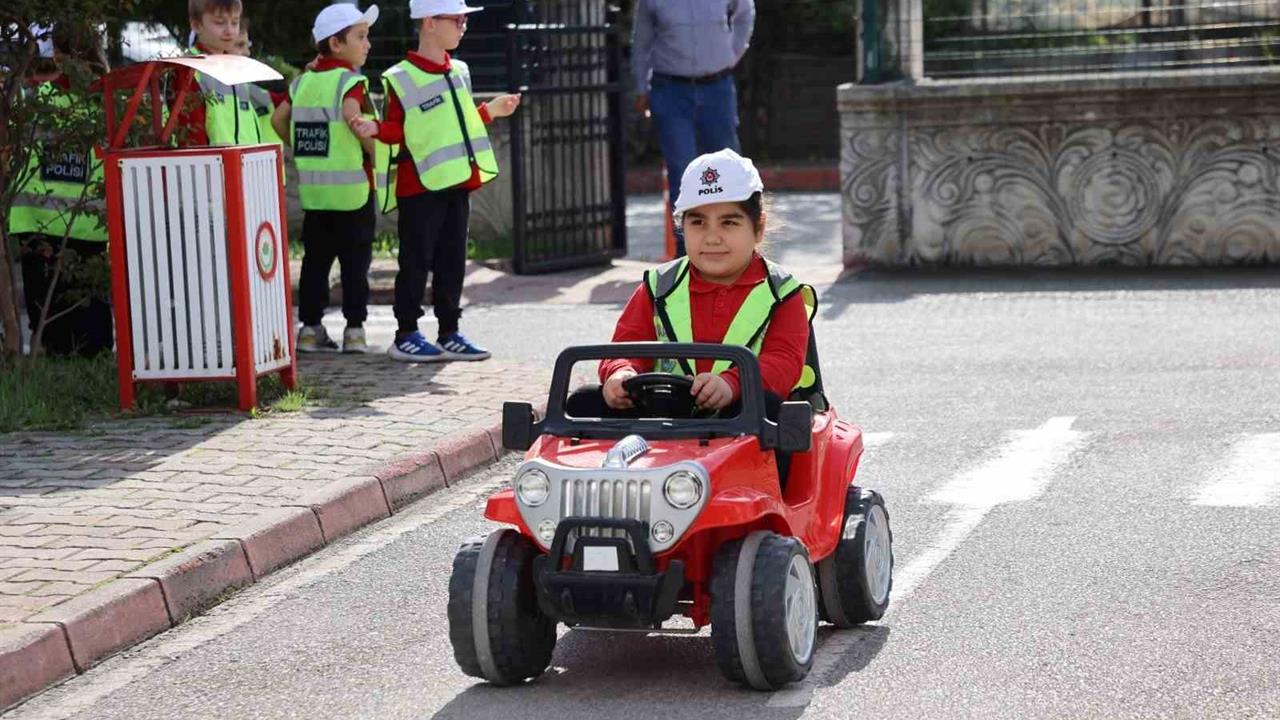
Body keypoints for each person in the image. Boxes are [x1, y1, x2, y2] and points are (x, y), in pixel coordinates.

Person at [567, 149, 815, 423]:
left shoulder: (782, 293)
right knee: (582, 401)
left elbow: (784, 362)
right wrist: (621, 373)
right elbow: (626, 345)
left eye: (729, 223)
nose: (711, 238)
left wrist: (732, 384)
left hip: (740, 420)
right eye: (698, 222)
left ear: (758, 228)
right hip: (661, 415)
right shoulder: (659, 286)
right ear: (682, 227)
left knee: (767, 409)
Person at [353, 0, 521, 362]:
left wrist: (490, 111)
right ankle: (406, 333)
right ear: (430, 23)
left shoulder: (459, 69)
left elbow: (457, 124)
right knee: (415, 260)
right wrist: (377, 129)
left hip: (457, 183)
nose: (464, 26)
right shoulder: (400, 76)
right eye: (457, 19)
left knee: (452, 260)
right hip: (419, 187)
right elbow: (400, 128)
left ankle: (450, 331)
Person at [271, 3, 380, 353]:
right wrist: (378, 154)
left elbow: (278, 119)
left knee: (315, 263)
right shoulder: (350, 83)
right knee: (355, 266)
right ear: (336, 43)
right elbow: (353, 118)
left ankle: (309, 328)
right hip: (353, 196)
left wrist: (302, 148)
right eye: (361, 37)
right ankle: (354, 332)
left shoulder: (301, 83)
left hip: (316, 195)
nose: (368, 44)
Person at [9, 25, 113, 356]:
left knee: (50, 328)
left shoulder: (36, 100)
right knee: (92, 333)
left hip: (40, 227)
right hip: (85, 232)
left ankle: (62, 382)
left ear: (55, 55)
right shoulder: (104, 106)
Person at [631, 0, 755, 257]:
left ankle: (737, 247)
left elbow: (745, 14)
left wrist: (732, 53)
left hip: (717, 88)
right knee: (681, 171)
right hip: (670, 89)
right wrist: (640, 87)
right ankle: (685, 255)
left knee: (729, 168)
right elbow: (641, 41)